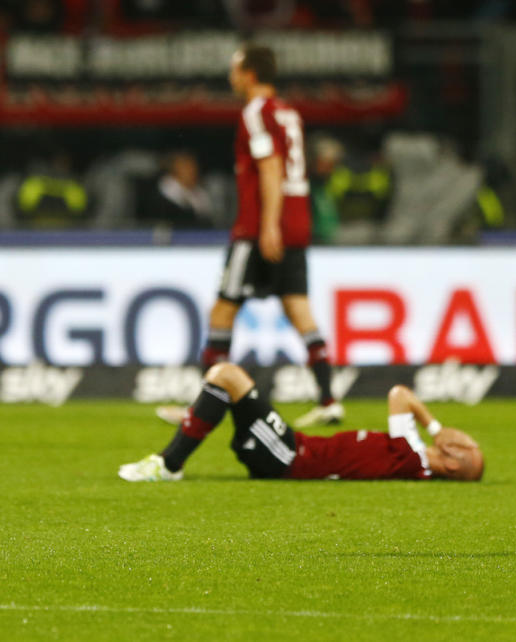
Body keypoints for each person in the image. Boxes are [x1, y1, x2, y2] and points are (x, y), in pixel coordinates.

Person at [156, 44, 342, 429]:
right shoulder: (288, 112)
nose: (231, 77)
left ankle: (200, 409)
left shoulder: (256, 113)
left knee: (223, 311)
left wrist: (268, 225)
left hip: (259, 227)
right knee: (298, 309)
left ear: (251, 73)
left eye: (235, 70)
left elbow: (270, 168)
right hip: (297, 221)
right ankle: (328, 398)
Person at [121, 362, 484, 482]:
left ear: (452, 462)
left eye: (466, 445)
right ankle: (195, 419)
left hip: (289, 456)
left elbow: (398, 394)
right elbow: (401, 395)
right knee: (228, 382)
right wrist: (434, 432)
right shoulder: (411, 455)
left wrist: (435, 426)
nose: (464, 436)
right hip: (291, 448)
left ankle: (169, 464)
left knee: (227, 375)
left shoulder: (410, 457)